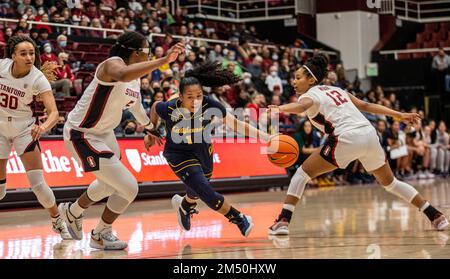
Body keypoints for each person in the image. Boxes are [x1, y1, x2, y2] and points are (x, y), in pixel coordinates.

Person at [267, 54, 449, 235]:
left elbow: (301, 107)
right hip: (369, 135)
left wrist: (280, 108)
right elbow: (367, 106)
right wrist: (399, 115)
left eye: (298, 78)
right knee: (391, 182)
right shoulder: (337, 90)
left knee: (301, 174)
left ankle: (283, 221)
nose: (294, 82)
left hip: (346, 137)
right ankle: (435, 215)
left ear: (311, 80)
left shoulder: (310, 95)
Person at [58, 31, 185, 250]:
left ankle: (72, 211)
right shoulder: (111, 65)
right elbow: (123, 74)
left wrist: (151, 129)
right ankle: (100, 234)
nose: (147, 56)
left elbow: (135, 107)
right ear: (135, 53)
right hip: (82, 133)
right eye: (146, 51)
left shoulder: (134, 79)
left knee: (109, 185)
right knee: (129, 187)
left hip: (105, 133)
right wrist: (164, 61)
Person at [148, 61, 273, 237]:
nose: (195, 101)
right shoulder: (169, 107)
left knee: (199, 187)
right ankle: (238, 217)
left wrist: (267, 137)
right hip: (178, 154)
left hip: (203, 150)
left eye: (198, 95)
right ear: (181, 96)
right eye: (190, 97)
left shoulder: (210, 104)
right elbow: (154, 107)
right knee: (205, 190)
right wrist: (151, 130)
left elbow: (235, 124)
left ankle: (185, 206)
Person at [0, 36, 70, 239]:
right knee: (0, 192)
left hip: (25, 130)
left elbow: (54, 113)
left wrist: (44, 127)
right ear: (13, 56)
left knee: (38, 184)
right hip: (0, 127)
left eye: (32, 53)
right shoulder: (2, 67)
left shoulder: (38, 78)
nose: (29, 57)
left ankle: (57, 220)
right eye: (23, 53)